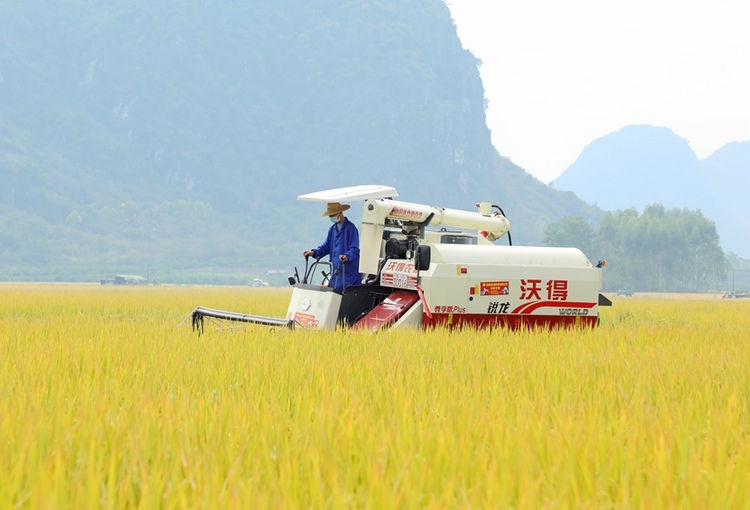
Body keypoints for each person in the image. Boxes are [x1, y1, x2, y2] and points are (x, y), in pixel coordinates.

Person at [303, 202, 360, 292]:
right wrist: (314, 252)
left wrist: (347, 256)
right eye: (330, 216)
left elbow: (355, 249)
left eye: (333, 215)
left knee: (346, 296)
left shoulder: (351, 228)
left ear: (340, 212)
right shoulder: (332, 229)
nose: (331, 217)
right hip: (335, 272)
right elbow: (326, 247)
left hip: (348, 273)